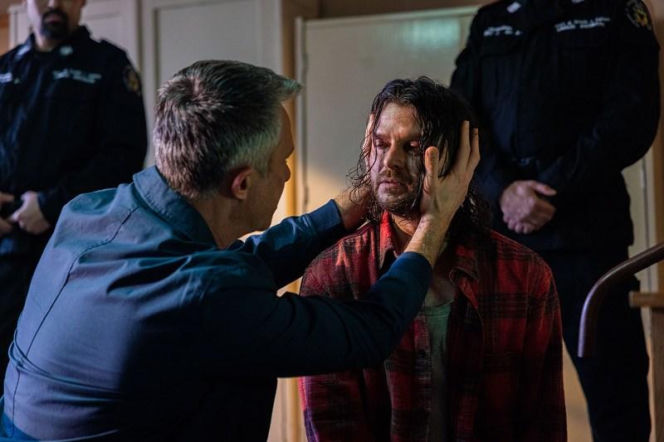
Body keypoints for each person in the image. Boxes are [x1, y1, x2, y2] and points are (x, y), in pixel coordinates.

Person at [0, 60, 479, 440]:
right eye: (283, 161)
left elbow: (233, 268)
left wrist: (356, 198)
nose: (289, 173)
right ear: (243, 184)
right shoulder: (204, 296)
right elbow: (371, 330)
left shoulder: (88, 211)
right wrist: (435, 220)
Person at [298, 77, 565, 442]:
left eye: (413, 147)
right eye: (381, 144)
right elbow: (332, 425)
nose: (389, 161)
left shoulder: (525, 275)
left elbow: (543, 422)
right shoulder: (334, 273)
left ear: (458, 162)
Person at [450, 0, 659, 440]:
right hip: (499, 241)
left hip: (588, 244)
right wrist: (503, 189)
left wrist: (551, 189)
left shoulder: (616, 9)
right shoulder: (492, 21)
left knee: (616, 396)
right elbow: (460, 117)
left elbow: (631, 117)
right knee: (492, 400)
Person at [0, 0, 147, 373]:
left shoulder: (107, 65)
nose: (54, 4)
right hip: (4, 255)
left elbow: (124, 158)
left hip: (71, 257)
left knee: (50, 372)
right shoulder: (6, 67)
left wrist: (51, 205)